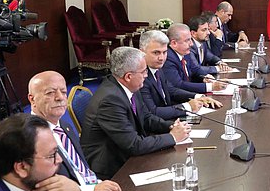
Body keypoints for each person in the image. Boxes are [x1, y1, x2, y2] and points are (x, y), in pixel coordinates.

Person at [80, 47, 192, 179]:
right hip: (112, 168)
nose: (146, 75)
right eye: (144, 71)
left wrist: (170, 126)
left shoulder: (130, 86)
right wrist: (173, 137)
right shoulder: (110, 101)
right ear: (128, 76)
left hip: (126, 154)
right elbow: (134, 145)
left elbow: (146, 117)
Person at [28, 71, 122, 191]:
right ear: (32, 99)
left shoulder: (65, 126)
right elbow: (46, 189)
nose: (60, 97)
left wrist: (98, 185)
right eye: (50, 93)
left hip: (94, 190)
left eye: (63, 91)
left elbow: (81, 170)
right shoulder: (30, 137)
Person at [139, 30, 222, 120]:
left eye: (164, 52)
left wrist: (199, 97)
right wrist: (187, 107)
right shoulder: (140, 76)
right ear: (141, 52)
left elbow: (171, 90)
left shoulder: (157, 68)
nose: (161, 58)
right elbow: (152, 112)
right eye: (156, 53)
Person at [163, 23, 224, 94]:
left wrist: (206, 77)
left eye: (191, 40)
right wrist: (210, 87)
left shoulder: (184, 52)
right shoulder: (168, 59)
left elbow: (195, 69)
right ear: (174, 43)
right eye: (187, 40)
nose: (191, 44)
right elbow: (179, 85)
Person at [187, 15, 230, 79]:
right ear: (193, 33)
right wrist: (217, 68)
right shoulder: (189, 47)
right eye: (204, 30)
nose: (208, 33)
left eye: (208, 29)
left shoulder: (203, 43)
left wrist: (220, 62)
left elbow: (210, 56)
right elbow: (196, 68)